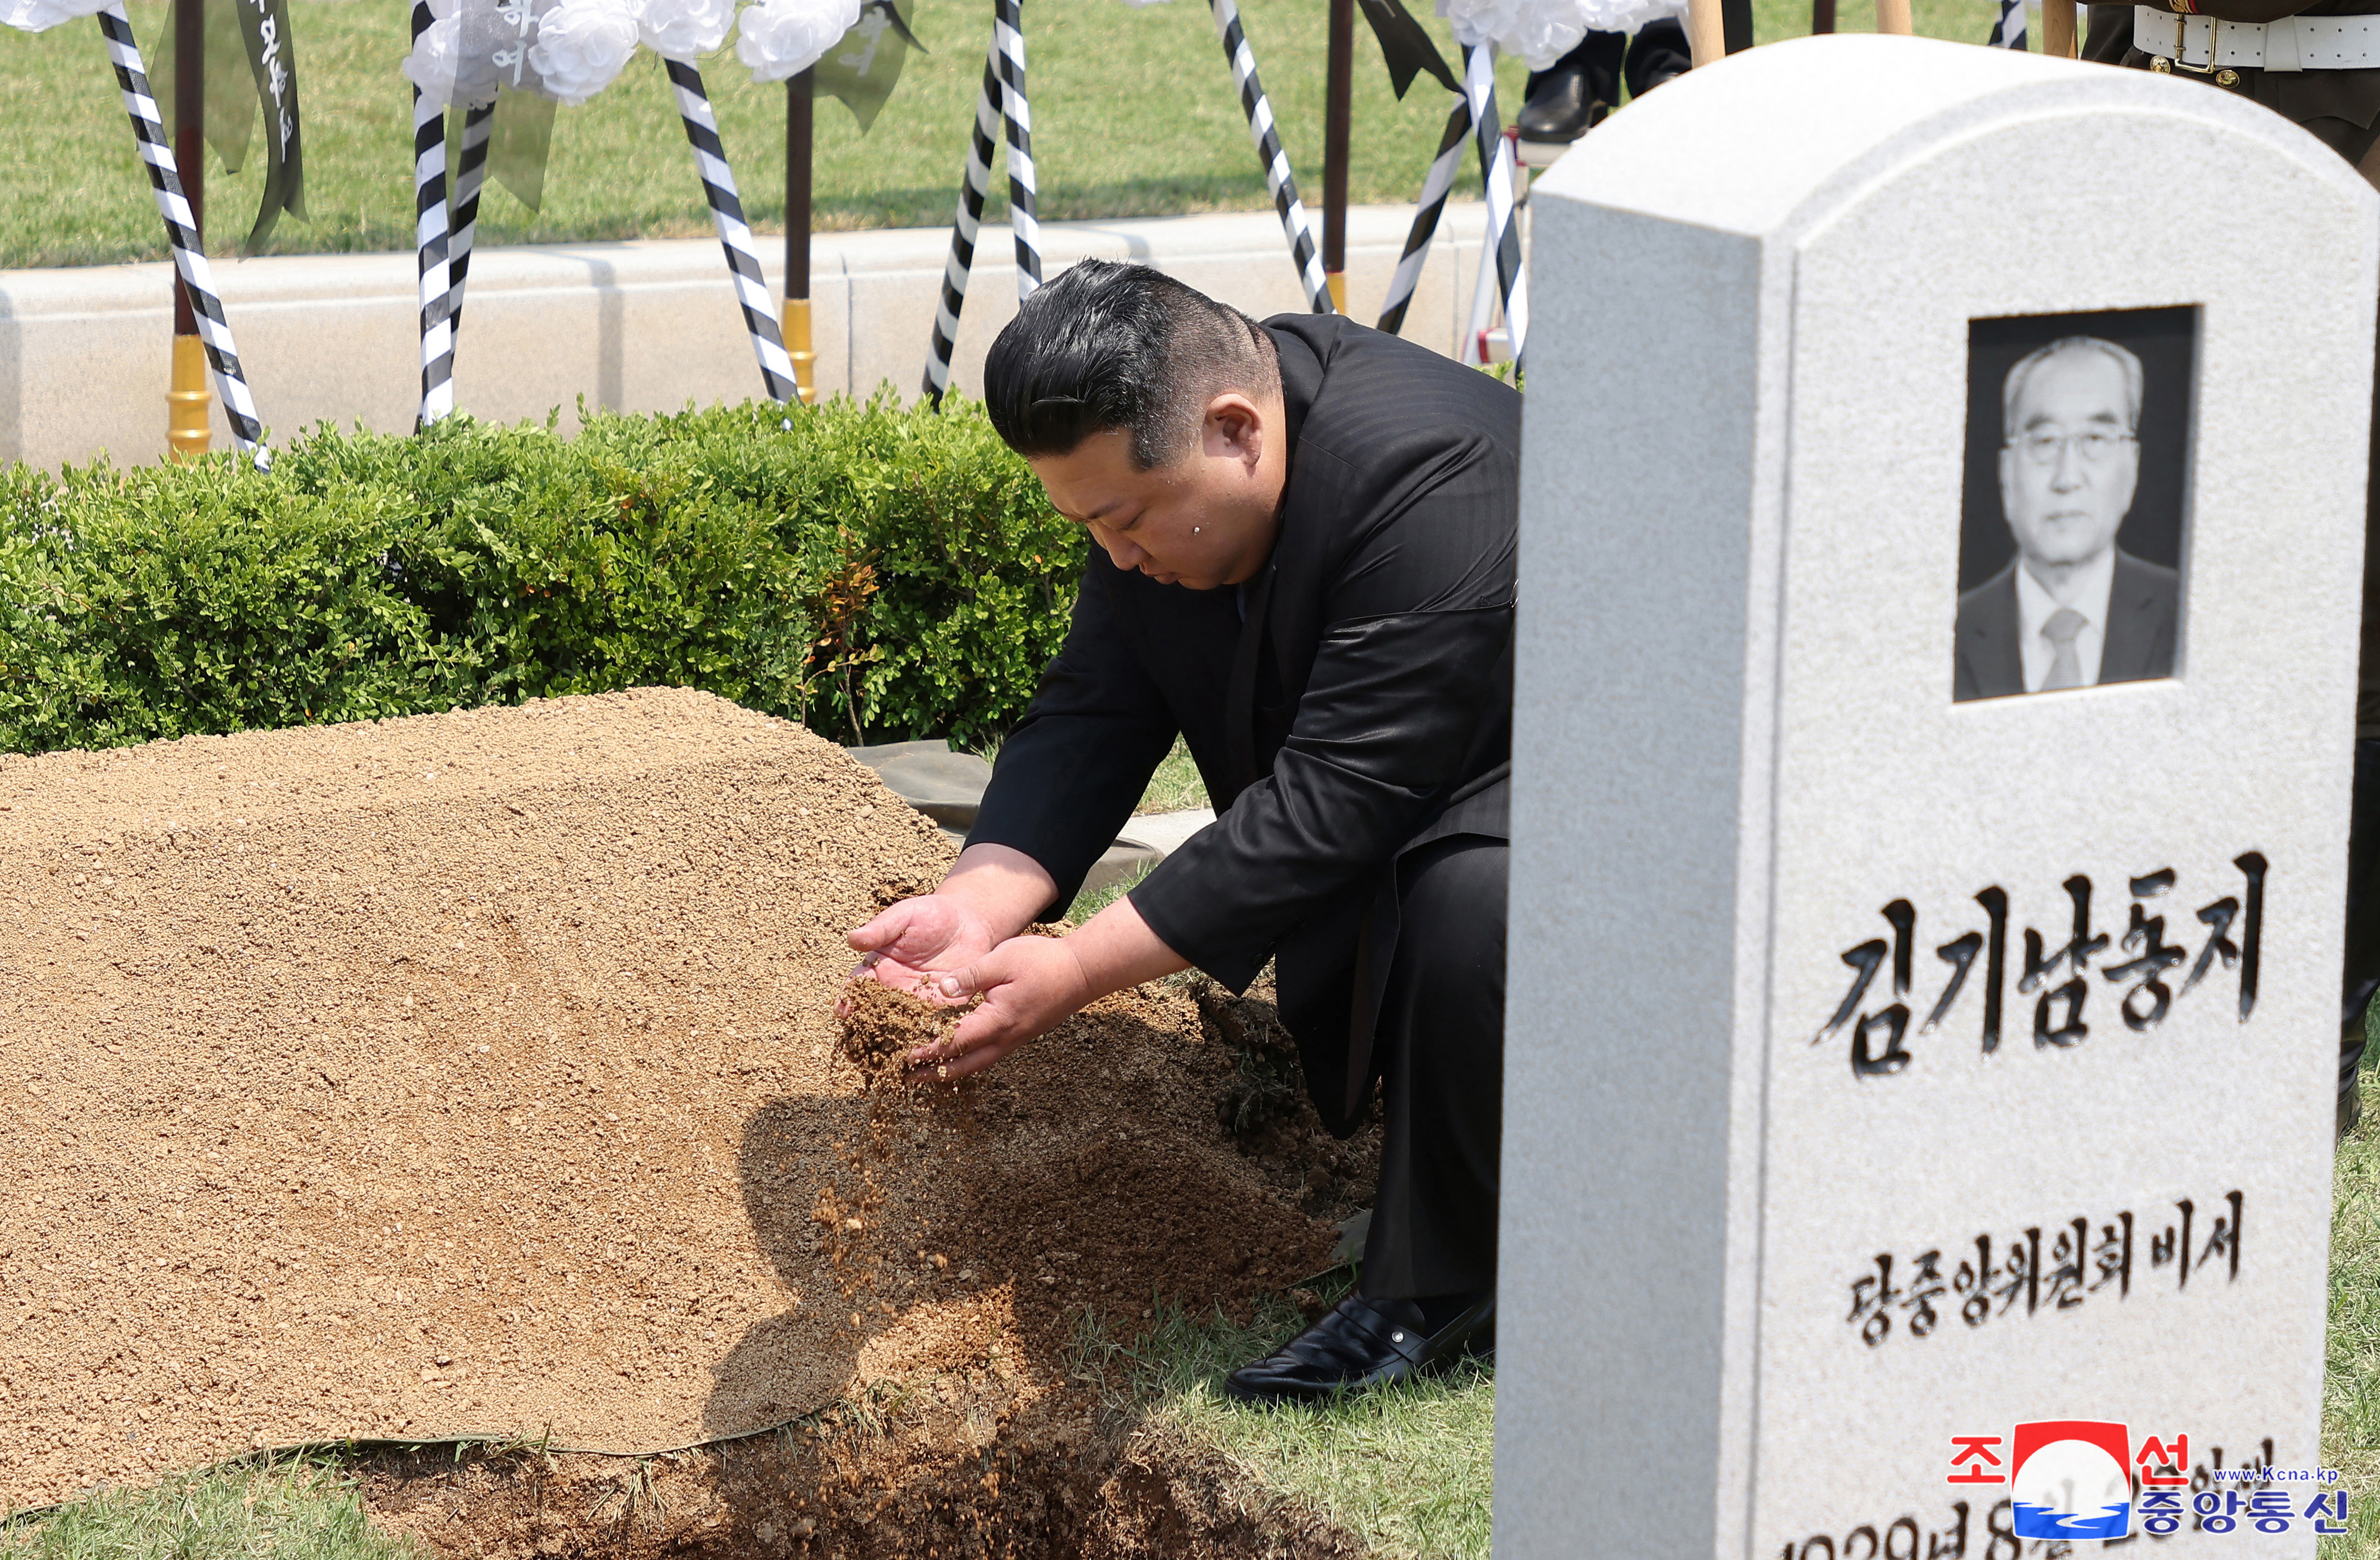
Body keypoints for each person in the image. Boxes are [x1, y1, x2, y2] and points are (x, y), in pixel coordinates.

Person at [843, 260, 1516, 1404]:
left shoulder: (1432, 475)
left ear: (1235, 430)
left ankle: (1443, 1279)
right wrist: (976, 905)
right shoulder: (1174, 477)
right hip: (1431, 784)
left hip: (1640, 817)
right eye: (1088, 526)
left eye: (1125, 520)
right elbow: (1099, 706)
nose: (1115, 556)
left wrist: (1075, 969)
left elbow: (1330, 803)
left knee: (1476, 911)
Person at [2103, 0, 2380, 1130]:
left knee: (2341, 583)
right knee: (2135, 550)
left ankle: (2324, 999)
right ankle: (2143, 954)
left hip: (2350, 106)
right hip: (2147, 87)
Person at [1953, 336, 2179, 702]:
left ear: (2132, 468)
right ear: (2006, 472)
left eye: (2095, 438)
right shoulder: (1947, 628)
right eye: (2044, 442)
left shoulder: (2191, 612)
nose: (2068, 478)